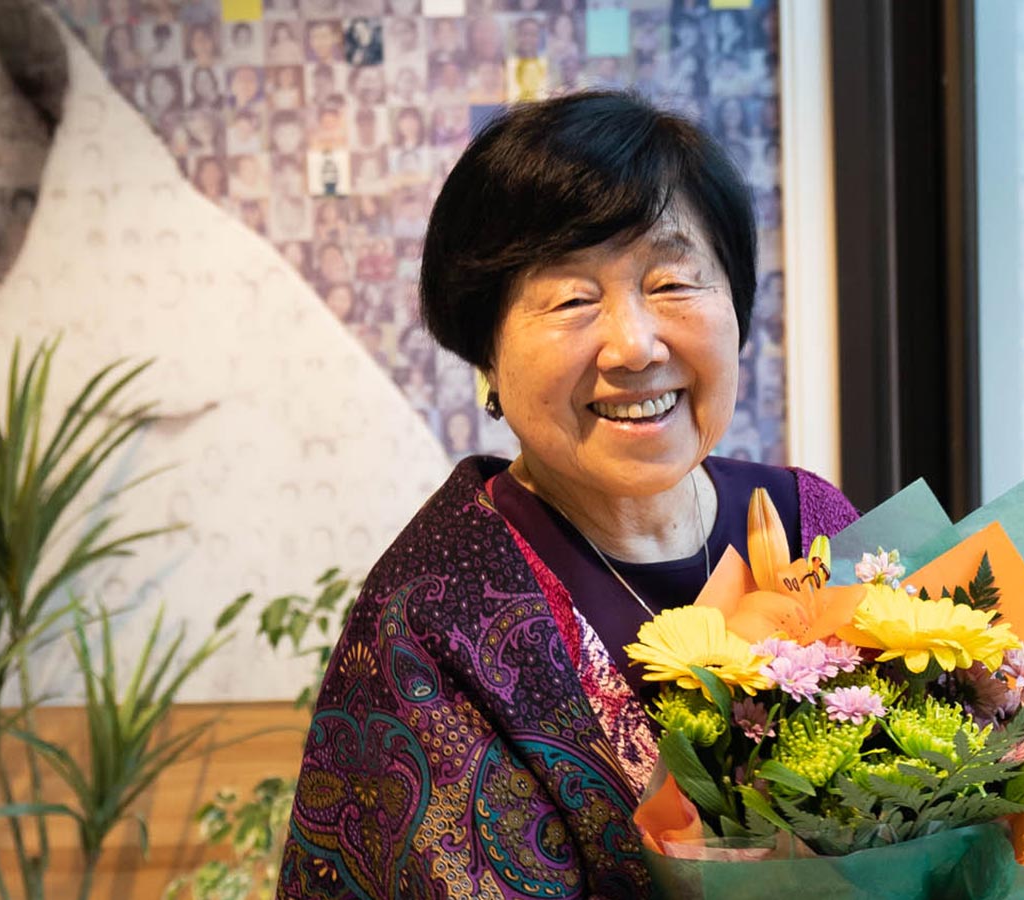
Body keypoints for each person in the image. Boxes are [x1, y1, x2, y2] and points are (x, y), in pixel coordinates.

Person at [277, 92, 855, 898]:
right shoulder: (437, 621)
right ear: (485, 348)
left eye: (674, 280)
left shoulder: (812, 525)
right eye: (573, 299)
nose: (635, 345)